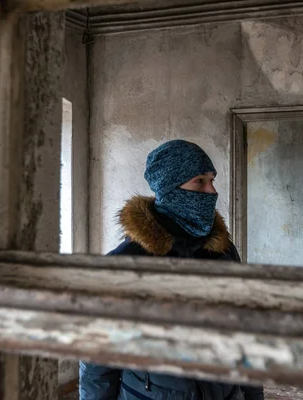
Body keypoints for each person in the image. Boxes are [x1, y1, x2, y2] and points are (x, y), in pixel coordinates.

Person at [79, 139, 264, 400]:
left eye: (212, 180)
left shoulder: (223, 252)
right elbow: (98, 360)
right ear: (170, 189)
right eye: (199, 181)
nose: (211, 191)